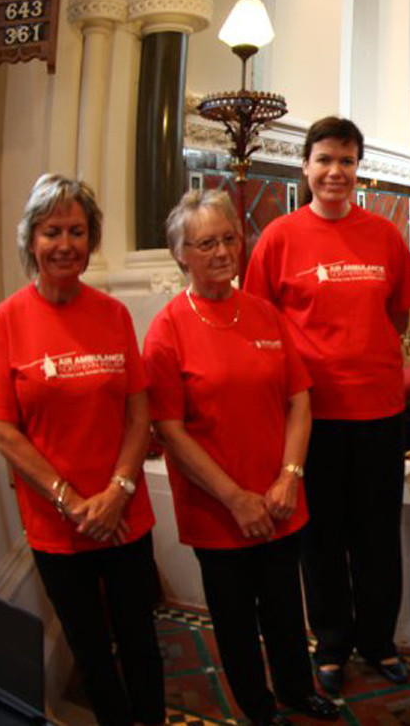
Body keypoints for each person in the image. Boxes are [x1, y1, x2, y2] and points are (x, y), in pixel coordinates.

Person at [243, 116, 410, 692]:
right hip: (310, 418)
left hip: (377, 410)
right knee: (320, 539)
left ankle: (378, 640)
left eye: (346, 161)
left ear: (358, 169)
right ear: (305, 165)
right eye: (324, 159)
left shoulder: (384, 235)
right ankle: (332, 643)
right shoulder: (278, 237)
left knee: (376, 535)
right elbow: (260, 321)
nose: (335, 172)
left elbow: (398, 314)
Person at [0, 174, 164, 726]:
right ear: (31, 240)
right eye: (52, 230)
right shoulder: (7, 321)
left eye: (77, 231)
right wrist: (70, 500)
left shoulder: (113, 315)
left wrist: (117, 492)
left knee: (141, 643)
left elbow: (138, 411)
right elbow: (4, 431)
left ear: (91, 239)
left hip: (124, 516)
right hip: (58, 528)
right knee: (92, 653)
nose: (65, 244)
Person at [145, 191, 339, 726]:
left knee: (284, 607)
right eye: (206, 243)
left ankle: (298, 690)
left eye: (230, 238)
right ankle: (258, 707)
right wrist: (234, 498)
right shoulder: (167, 330)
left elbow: (299, 399)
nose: (223, 251)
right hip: (217, 511)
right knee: (234, 618)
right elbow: (169, 430)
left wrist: (289, 478)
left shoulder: (263, 313)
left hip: (279, 501)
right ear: (182, 252)